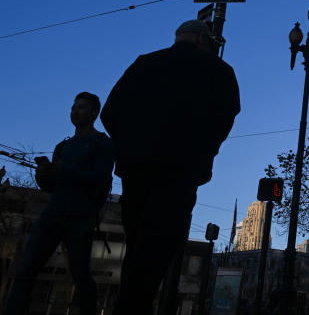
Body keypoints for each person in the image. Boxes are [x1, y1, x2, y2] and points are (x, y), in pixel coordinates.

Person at [102, 19, 240, 314]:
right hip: (181, 169)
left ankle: (129, 303)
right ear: (204, 40)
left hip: (136, 168)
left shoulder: (145, 63)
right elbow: (226, 117)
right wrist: (204, 151)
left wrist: (131, 146)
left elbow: (110, 112)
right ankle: (134, 305)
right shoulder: (218, 71)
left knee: (137, 242)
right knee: (159, 246)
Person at [4, 92, 115, 315]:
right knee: (25, 270)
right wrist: (43, 175)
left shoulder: (102, 143)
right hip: (52, 214)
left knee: (80, 274)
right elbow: (53, 186)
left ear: (94, 112)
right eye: (73, 107)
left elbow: (101, 178)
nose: (75, 111)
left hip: (79, 216)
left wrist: (66, 170)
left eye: (81, 108)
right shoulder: (62, 147)